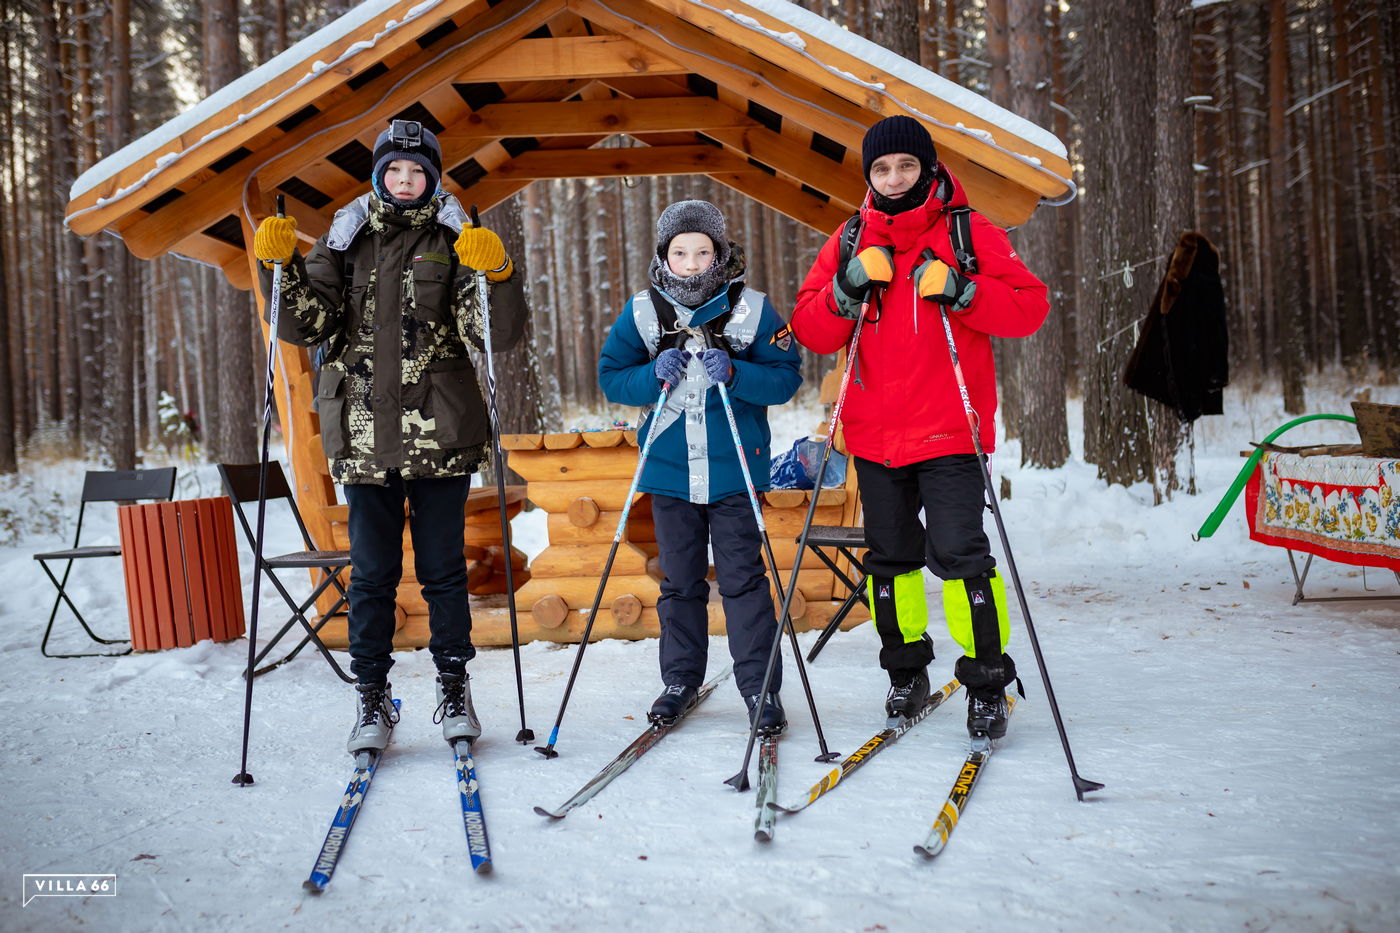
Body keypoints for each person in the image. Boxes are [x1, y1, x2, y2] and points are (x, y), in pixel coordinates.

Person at [252, 119, 527, 753]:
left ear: (432, 177)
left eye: (417, 172)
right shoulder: (343, 240)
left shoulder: (458, 237)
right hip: (362, 435)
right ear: (378, 176)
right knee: (372, 576)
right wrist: (282, 267)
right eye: (393, 171)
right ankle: (371, 696)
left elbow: (496, 335)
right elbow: (305, 325)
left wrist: (500, 272)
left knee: (443, 574)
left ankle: (454, 686)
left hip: (441, 435)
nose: (405, 181)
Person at [790, 115, 1048, 740]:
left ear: (928, 168)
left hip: (950, 433)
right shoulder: (851, 239)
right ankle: (906, 674)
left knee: (963, 557)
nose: (895, 177)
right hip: (876, 436)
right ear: (869, 176)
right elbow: (809, 327)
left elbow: (1030, 306)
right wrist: (847, 287)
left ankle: (987, 679)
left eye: (906, 165)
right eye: (882, 168)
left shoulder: (967, 230)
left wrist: (963, 289)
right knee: (890, 561)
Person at [598, 200, 802, 735]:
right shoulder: (642, 311)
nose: (690, 261)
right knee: (680, 581)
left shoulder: (753, 309)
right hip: (669, 471)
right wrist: (649, 375)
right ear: (664, 254)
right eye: (680, 251)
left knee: (743, 581)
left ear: (719, 254)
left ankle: (760, 685)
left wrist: (736, 373)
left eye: (702, 251)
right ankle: (680, 680)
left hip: (734, 468)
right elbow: (612, 376)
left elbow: (785, 379)